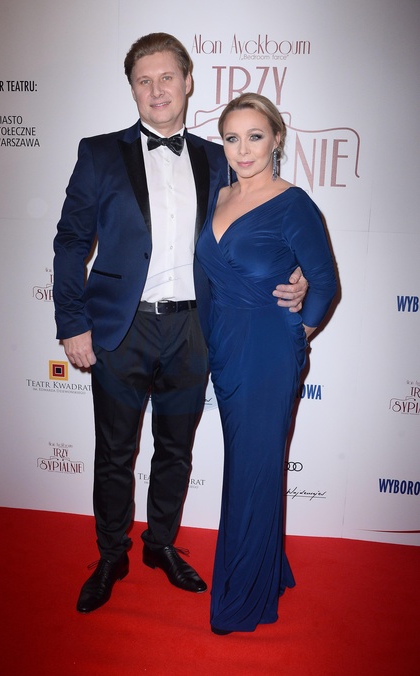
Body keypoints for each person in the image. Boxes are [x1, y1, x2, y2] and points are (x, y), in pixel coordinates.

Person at [53, 34, 308, 615]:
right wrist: (72, 320)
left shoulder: (219, 157)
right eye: (143, 80)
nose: (156, 89)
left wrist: (298, 276)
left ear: (188, 81)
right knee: (115, 452)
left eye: (166, 76)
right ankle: (111, 554)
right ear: (132, 90)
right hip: (120, 330)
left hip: (194, 329)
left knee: (176, 449)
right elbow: (70, 241)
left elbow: (263, 224)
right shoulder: (98, 154)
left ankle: (160, 544)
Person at [195, 93, 338, 634]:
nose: (242, 149)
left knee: (252, 468)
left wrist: (296, 333)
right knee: (248, 464)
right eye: (231, 138)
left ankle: (244, 598)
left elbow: (323, 282)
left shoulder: (293, 204)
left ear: (276, 138)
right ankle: (266, 568)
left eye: (255, 136)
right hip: (226, 349)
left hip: (268, 353)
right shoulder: (219, 195)